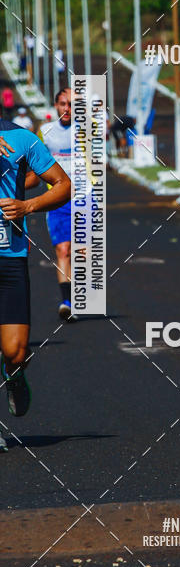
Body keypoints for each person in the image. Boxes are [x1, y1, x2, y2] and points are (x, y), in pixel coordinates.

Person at [0, 114, 70, 448]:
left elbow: (63, 185)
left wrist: (28, 205)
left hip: (10, 257)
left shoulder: (23, 139)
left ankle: (14, 376)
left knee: (15, 351)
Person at [38, 88, 75, 321]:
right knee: (63, 250)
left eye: (72, 104)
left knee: (82, 252)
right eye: (63, 104)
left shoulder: (86, 130)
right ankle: (67, 302)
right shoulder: (44, 132)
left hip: (85, 196)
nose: (67, 109)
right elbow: (33, 162)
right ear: (56, 106)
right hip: (57, 198)